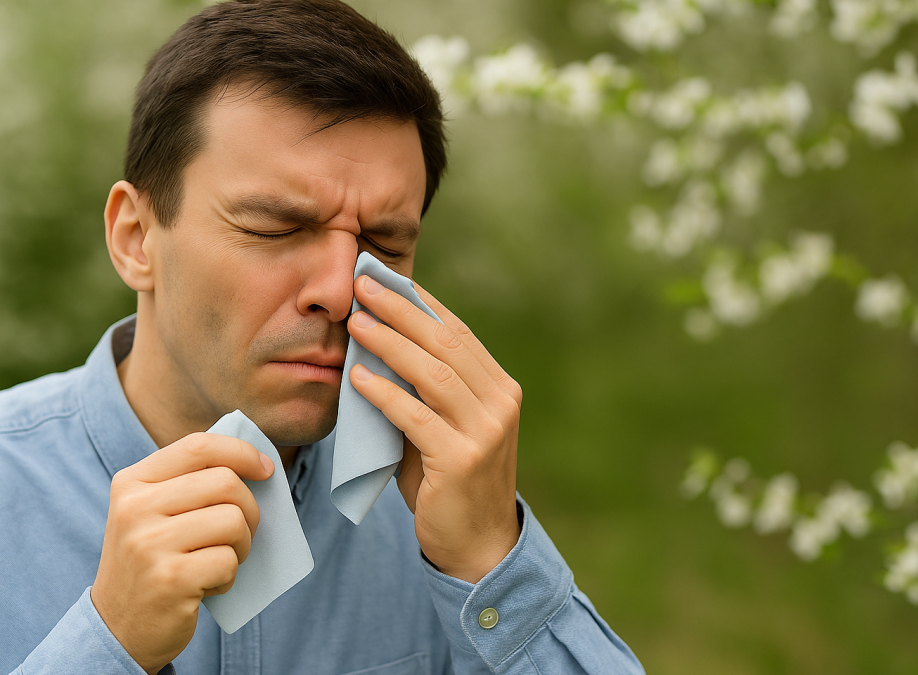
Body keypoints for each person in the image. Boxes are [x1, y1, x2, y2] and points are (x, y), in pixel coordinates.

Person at [0, 1, 644, 673]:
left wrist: (495, 563)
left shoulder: (434, 512)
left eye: (384, 244)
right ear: (135, 238)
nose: (339, 290)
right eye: (276, 228)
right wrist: (108, 644)